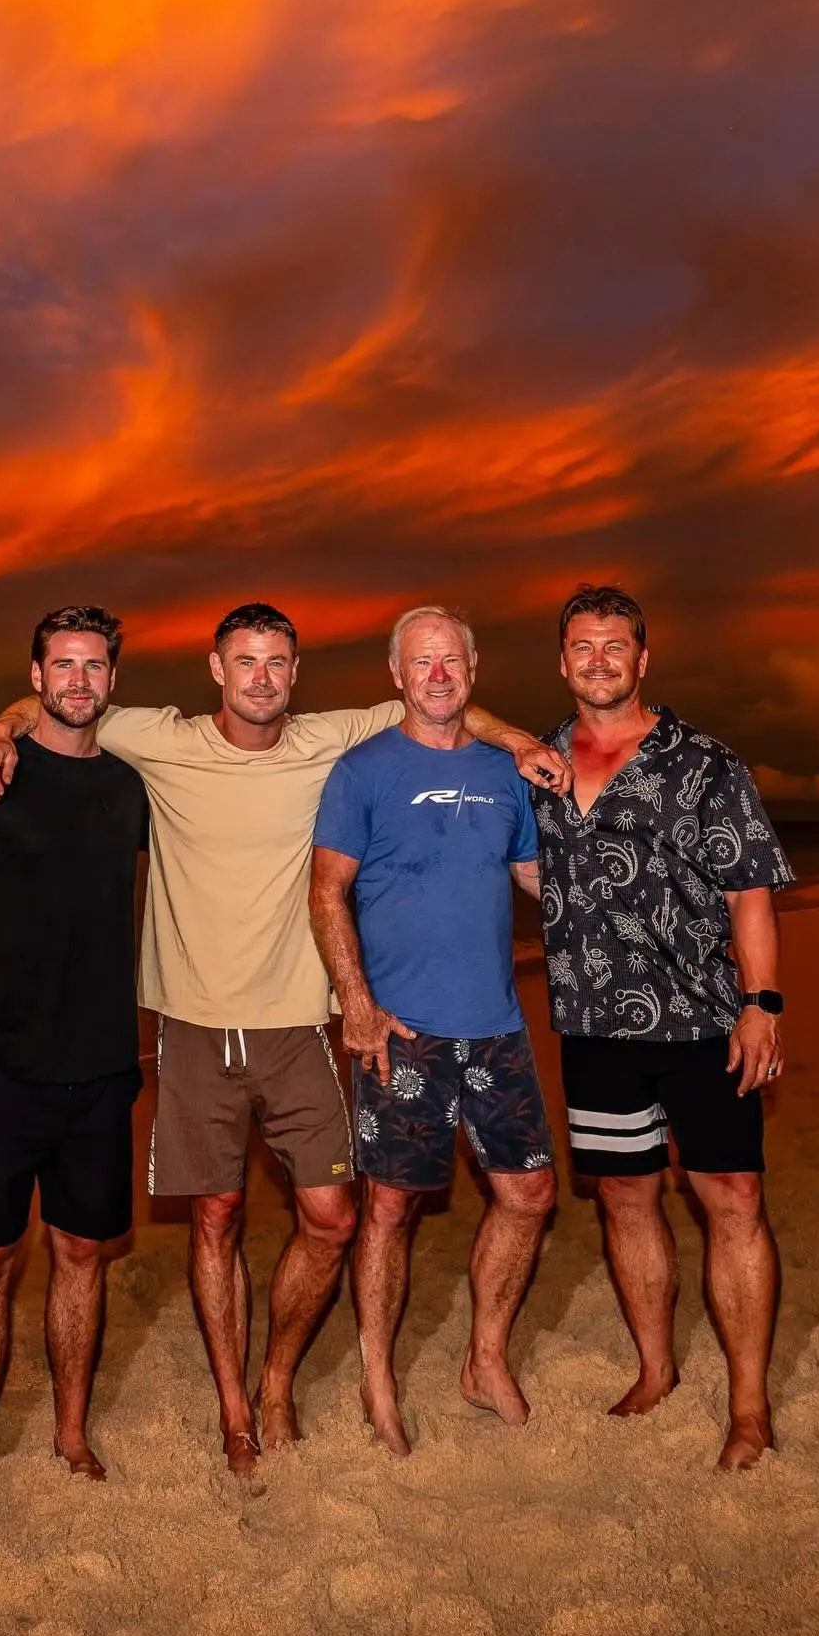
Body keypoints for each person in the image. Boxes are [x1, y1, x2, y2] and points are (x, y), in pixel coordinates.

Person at [0, 604, 569, 1480]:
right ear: (216, 668)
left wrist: (514, 739)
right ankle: (237, 1410)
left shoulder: (333, 740)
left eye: (277, 663)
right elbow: (62, 698)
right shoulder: (159, 739)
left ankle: (279, 1377)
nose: (261, 678)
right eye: (244, 662)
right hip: (195, 1025)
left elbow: (440, 704)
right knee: (216, 1216)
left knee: (332, 1219)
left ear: (296, 671)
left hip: (298, 1022)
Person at [531, 582, 795, 1469]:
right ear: (562, 660)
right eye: (582, 646)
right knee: (624, 1196)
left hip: (704, 1022)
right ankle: (656, 1370)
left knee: (734, 1199)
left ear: (642, 660)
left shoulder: (706, 764)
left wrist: (761, 1005)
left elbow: (749, 891)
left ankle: (750, 1408)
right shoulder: (537, 765)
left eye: (615, 646)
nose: (598, 660)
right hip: (592, 1026)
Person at [0, 606, 148, 1553]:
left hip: (101, 1071)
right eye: (63, 665)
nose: (79, 680)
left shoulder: (134, 787)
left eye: (95, 666)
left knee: (83, 1257)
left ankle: (69, 1435)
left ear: (112, 681)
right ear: (37, 673)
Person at [309, 607, 557, 1456]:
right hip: (401, 1032)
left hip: (495, 1026)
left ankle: (485, 1360)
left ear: (474, 668)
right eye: (423, 663)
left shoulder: (504, 772)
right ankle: (380, 1378)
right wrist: (356, 1000)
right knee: (390, 1209)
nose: (439, 675)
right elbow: (327, 891)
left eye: (451, 660)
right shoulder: (361, 771)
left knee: (528, 1195)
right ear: (397, 676)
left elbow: (531, 877)